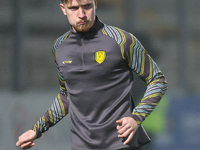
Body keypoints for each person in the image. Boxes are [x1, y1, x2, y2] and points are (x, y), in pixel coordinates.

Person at [16, 0, 167, 150]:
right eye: (74, 8)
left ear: (95, 4)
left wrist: (136, 117)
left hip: (120, 144)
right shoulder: (59, 47)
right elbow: (66, 95)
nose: (81, 14)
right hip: (82, 145)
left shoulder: (122, 40)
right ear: (63, 8)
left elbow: (157, 80)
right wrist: (36, 129)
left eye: (86, 6)